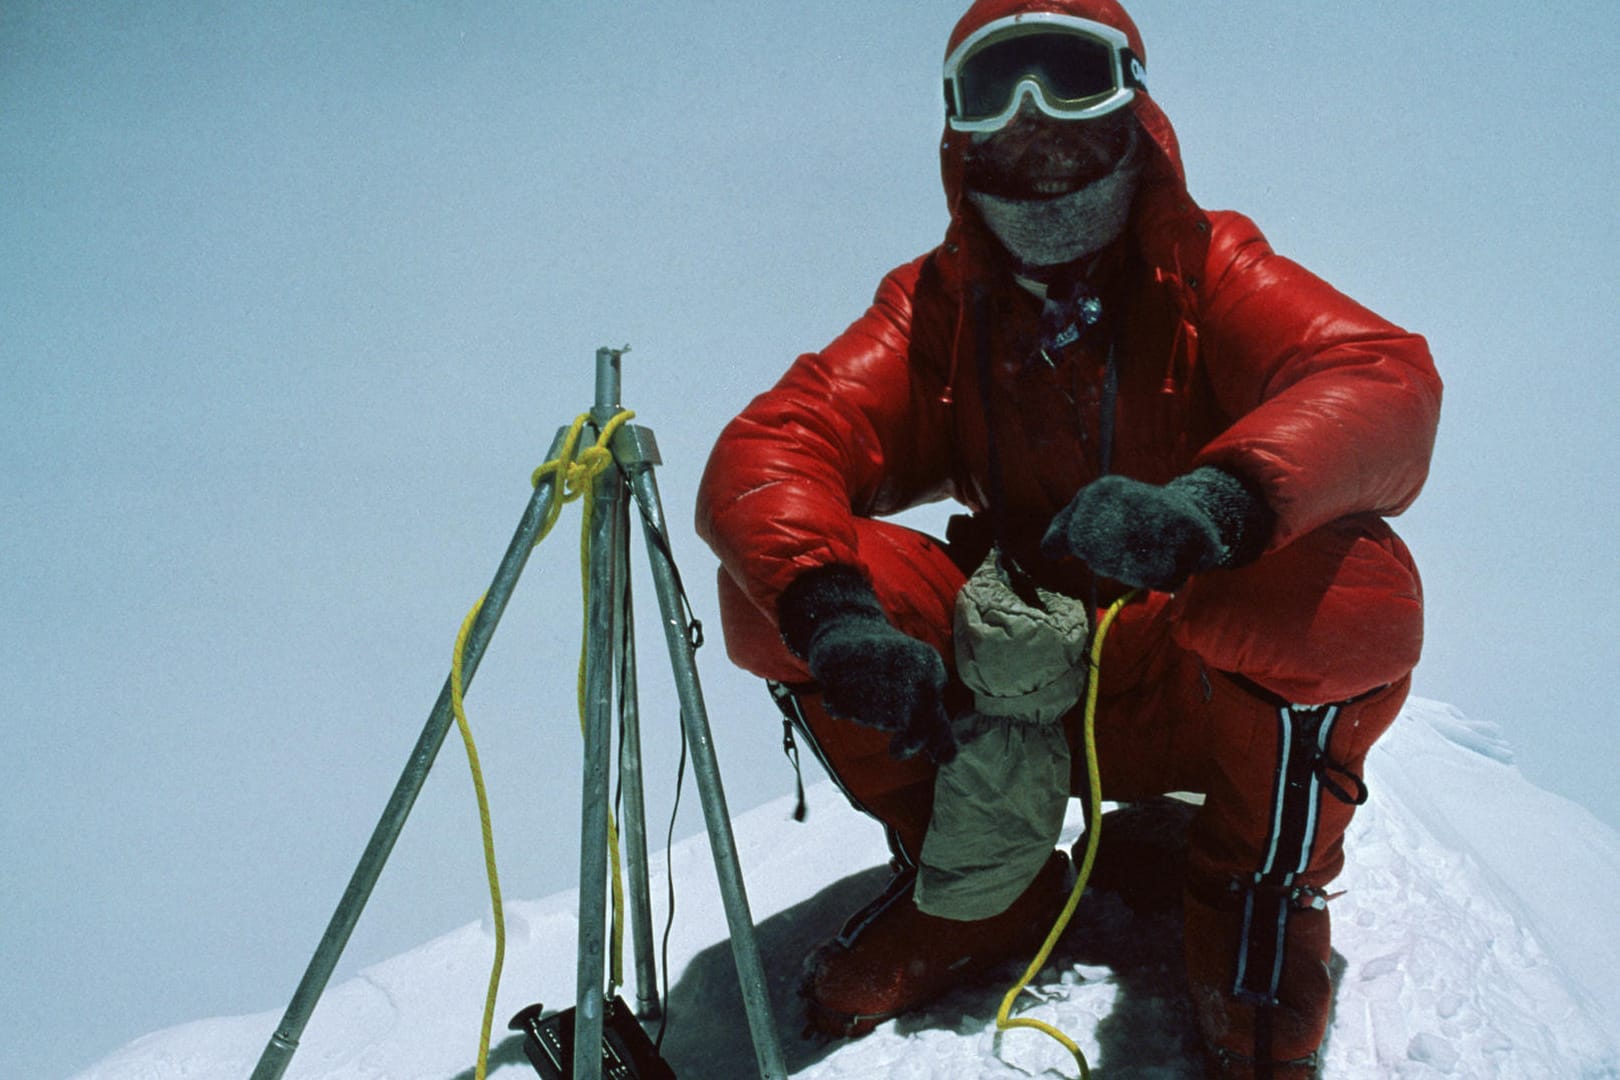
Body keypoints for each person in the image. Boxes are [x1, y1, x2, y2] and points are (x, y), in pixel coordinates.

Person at [695, 1, 1441, 1076]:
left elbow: (1379, 377)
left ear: (1133, 101)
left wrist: (1213, 507)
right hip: (1015, 679)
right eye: (997, 91)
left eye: (1069, 79)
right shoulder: (939, 307)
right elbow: (783, 441)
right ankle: (973, 885)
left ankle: (1251, 899)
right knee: (782, 585)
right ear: (959, 134)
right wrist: (835, 615)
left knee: (1351, 589)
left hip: (1181, 671)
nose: (1036, 125)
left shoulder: (1209, 269)